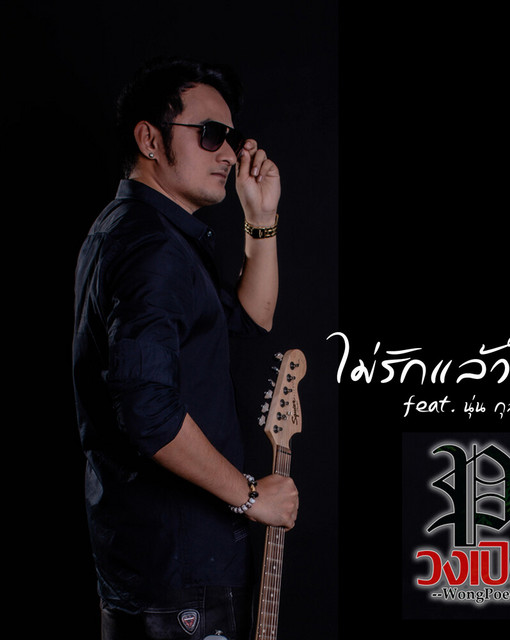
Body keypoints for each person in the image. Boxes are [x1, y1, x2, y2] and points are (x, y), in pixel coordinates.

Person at [72, 57, 298, 640]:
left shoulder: (144, 232)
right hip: (179, 575)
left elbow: (252, 317)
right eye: (211, 134)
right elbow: (148, 413)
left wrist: (261, 218)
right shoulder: (151, 249)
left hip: (158, 568)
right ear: (149, 139)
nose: (230, 154)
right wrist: (251, 496)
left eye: (233, 139)